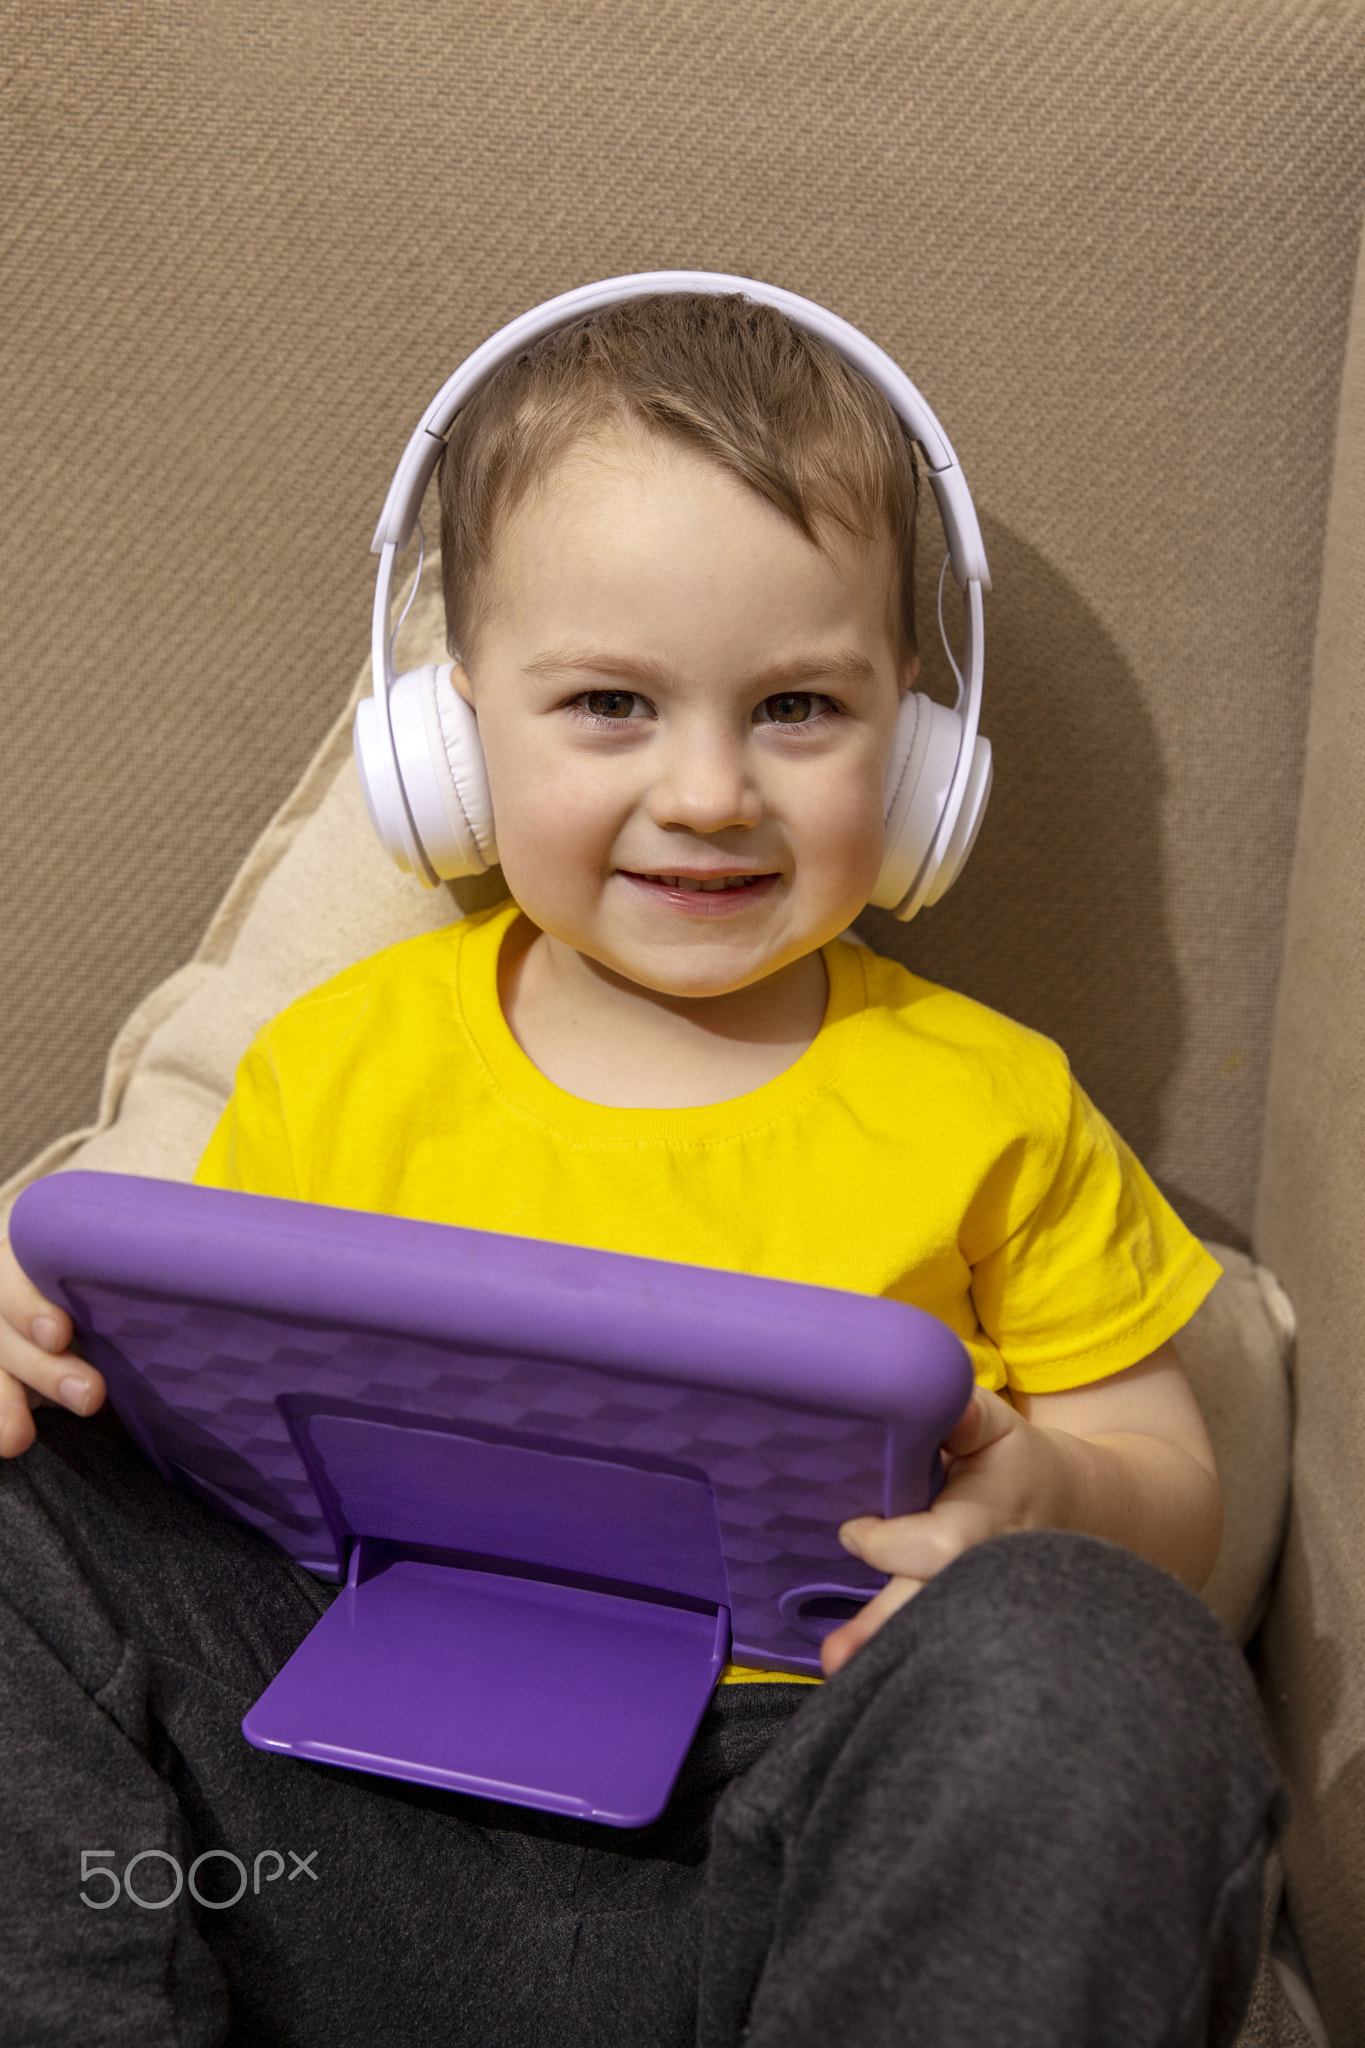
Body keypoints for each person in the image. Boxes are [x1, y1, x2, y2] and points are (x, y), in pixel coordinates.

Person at [0, 294, 1280, 2046]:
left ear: (912, 748)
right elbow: (196, 1431)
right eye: (608, 703)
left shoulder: (988, 1099)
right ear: (452, 743)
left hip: (803, 1830)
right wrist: (47, 1356)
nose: (706, 792)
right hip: (333, 1812)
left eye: (797, 710)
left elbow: (1169, 1480)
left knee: (1107, 1658)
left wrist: (1042, 1500)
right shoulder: (340, 1054)